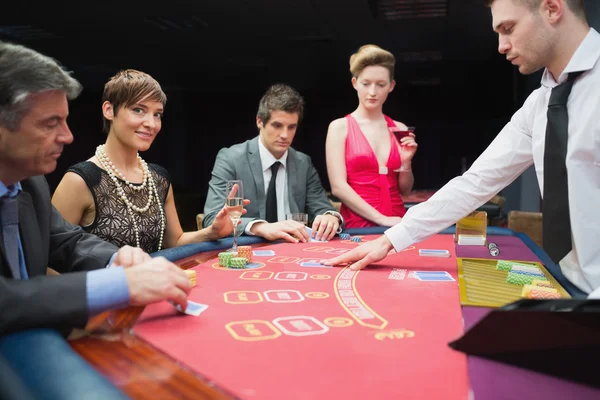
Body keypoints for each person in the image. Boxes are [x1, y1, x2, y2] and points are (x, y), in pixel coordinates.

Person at [323, 0, 600, 297]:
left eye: (508, 28)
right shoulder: (539, 104)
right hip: (572, 285)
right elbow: (475, 183)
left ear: (552, 8)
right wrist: (390, 239)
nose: (501, 46)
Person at [0, 41, 193, 336]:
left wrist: (118, 258)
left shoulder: (30, 182)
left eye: (157, 114)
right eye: (51, 123)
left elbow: (65, 240)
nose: (67, 136)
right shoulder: (79, 177)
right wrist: (119, 285)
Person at [52, 69, 247, 254]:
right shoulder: (80, 180)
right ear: (109, 110)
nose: (151, 124)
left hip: (154, 288)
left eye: (157, 114)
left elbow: (174, 243)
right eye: (138, 110)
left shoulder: (158, 178)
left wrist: (212, 231)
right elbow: (51, 260)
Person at [203, 84, 344, 243]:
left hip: (294, 250)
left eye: (291, 127)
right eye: (277, 125)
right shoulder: (230, 159)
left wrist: (330, 217)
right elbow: (211, 218)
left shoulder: (303, 162)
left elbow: (322, 207)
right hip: (249, 250)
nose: (285, 135)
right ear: (259, 121)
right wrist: (259, 227)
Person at [325, 45, 418, 228]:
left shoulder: (398, 128)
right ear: (354, 83)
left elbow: (405, 190)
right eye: (366, 84)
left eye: (381, 84)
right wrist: (380, 219)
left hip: (397, 222)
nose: (373, 92)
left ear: (391, 86)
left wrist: (406, 162)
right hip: (357, 225)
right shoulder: (339, 127)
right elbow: (338, 187)